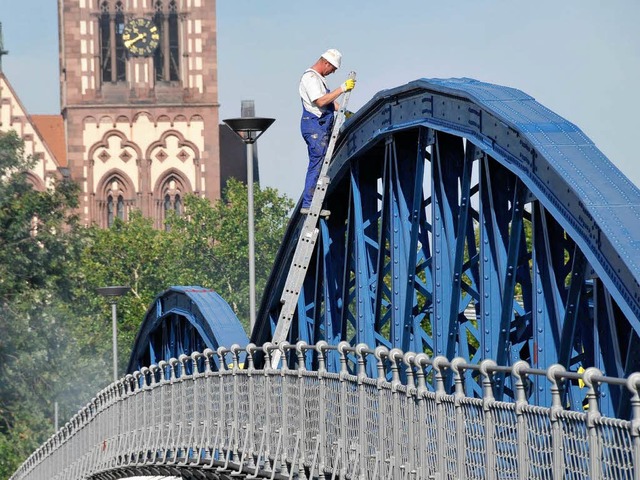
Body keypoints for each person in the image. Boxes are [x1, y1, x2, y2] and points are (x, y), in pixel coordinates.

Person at [299, 48, 355, 214]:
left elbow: (329, 103)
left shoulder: (318, 79)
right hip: (315, 126)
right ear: (326, 63)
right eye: (333, 68)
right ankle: (309, 204)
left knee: (325, 162)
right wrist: (342, 88)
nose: (333, 72)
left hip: (321, 125)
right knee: (317, 163)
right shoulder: (309, 78)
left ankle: (317, 203)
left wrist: (345, 111)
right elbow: (321, 101)